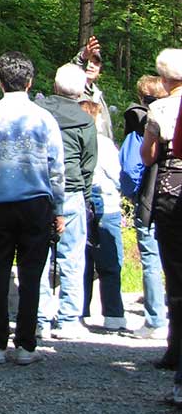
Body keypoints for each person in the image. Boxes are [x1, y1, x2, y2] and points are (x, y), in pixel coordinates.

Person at [0, 51, 66, 365]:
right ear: (30, 81)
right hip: (36, 202)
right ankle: (25, 344)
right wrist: (60, 208)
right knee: (31, 274)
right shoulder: (44, 117)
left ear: (0, 82)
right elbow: (57, 168)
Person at [35, 63, 97, 339]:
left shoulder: (40, 112)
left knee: (37, 255)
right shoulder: (85, 119)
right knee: (72, 255)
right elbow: (88, 163)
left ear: (55, 85)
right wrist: (85, 196)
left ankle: (39, 318)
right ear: (81, 89)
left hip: (39, 189)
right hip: (72, 190)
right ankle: (70, 318)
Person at [140, 48, 182, 405]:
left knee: (176, 275)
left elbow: (148, 155)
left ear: (165, 78)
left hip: (171, 190)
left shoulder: (160, 108)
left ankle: (175, 350)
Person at [121, 75, 168, 341]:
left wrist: (133, 192)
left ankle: (155, 319)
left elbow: (130, 167)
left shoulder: (140, 123)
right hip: (174, 193)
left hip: (149, 195)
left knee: (151, 258)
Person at [80, 98, 127, 331]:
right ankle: (113, 314)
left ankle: (80, 311)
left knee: (83, 262)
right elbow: (119, 175)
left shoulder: (73, 141)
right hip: (107, 207)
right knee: (110, 263)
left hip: (82, 206)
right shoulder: (104, 144)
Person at [75, 36, 113, 138]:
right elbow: (71, 71)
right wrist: (82, 57)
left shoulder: (97, 94)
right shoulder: (73, 91)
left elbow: (107, 128)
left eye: (95, 63)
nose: (91, 66)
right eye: (88, 61)